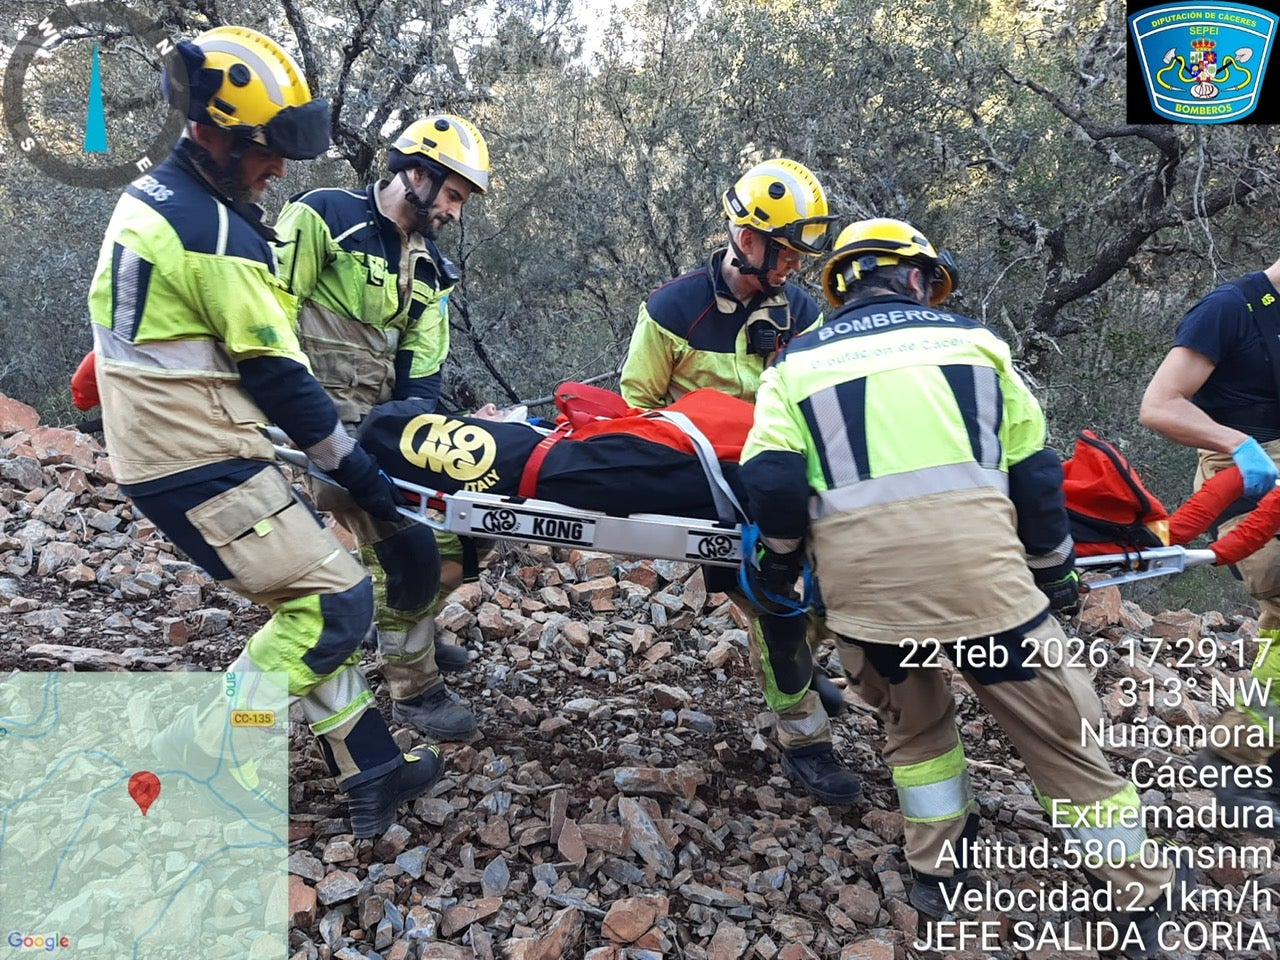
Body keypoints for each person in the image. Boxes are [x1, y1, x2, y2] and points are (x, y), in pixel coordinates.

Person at [739, 218, 1191, 953]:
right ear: (916, 277)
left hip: (873, 609)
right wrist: (1055, 575)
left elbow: (773, 483)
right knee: (1064, 740)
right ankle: (1136, 901)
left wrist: (780, 568)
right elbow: (1037, 477)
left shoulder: (794, 368)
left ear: (841, 288)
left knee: (916, 732)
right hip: (993, 603)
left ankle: (939, 872)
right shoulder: (978, 348)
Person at [87, 26, 442, 839]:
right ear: (208, 132)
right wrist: (362, 476)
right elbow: (279, 377)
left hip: (163, 445)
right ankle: (201, 753)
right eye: (264, 151)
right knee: (340, 605)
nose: (278, 168)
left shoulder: (153, 198)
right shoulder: (219, 236)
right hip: (198, 456)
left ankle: (373, 765)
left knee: (304, 595)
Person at [619, 159, 863, 806]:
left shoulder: (801, 311)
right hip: (709, 484)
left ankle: (801, 668)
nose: (793, 268)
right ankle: (803, 737)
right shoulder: (674, 310)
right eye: (784, 253)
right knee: (775, 599)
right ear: (747, 238)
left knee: (839, 579)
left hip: (785, 475)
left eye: (799, 257)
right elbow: (637, 405)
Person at [274, 116, 492, 741]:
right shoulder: (322, 217)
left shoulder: (431, 272)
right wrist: (306, 424)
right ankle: (415, 688)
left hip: (378, 431)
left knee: (468, 523)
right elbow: (272, 320)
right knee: (410, 547)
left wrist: (416, 437)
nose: (454, 212)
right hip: (310, 429)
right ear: (416, 174)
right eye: (451, 195)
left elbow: (421, 371)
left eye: (460, 202)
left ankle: (406, 622)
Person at [1140, 257, 1280, 832]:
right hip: (1247, 475)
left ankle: (1253, 758)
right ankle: (1237, 760)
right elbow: (1160, 405)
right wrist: (1239, 443)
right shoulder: (1231, 308)